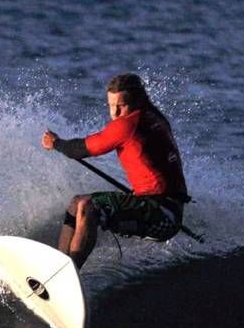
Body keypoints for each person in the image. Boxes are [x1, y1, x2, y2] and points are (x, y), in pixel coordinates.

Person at [41, 72, 189, 270]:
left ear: (137, 101)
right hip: (165, 210)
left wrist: (56, 143)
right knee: (76, 202)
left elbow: (78, 150)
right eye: (111, 106)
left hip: (162, 215)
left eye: (121, 105)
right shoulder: (154, 116)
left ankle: (70, 271)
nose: (115, 113)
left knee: (88, 206)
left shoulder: (128, 124)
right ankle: (58, 267)